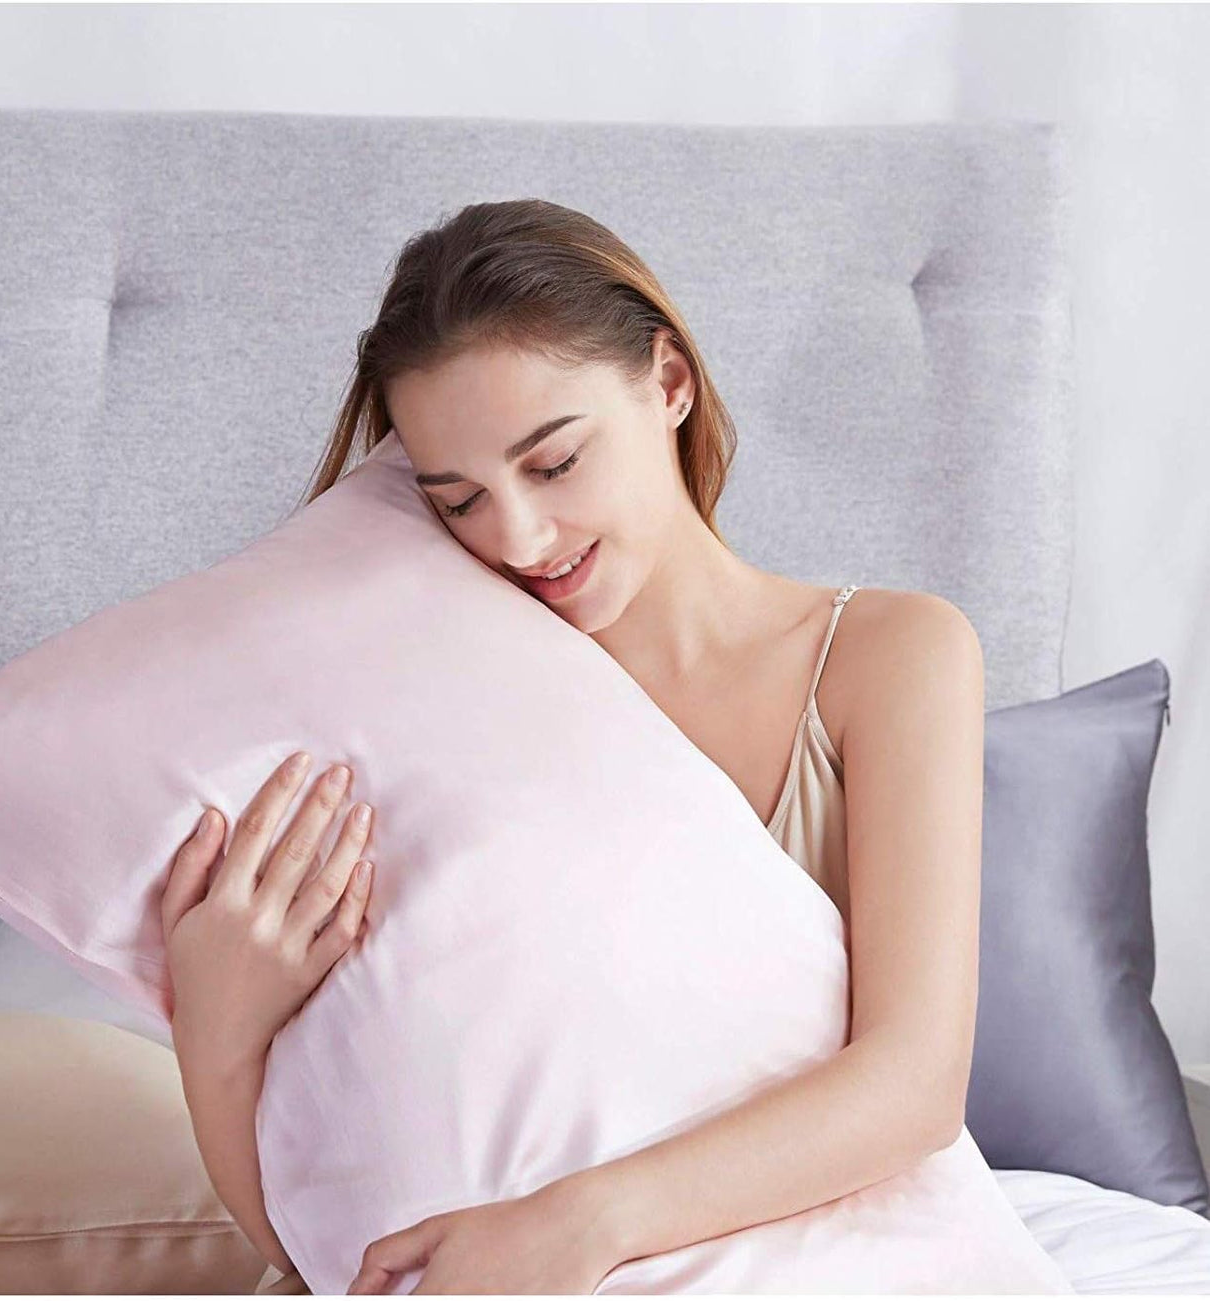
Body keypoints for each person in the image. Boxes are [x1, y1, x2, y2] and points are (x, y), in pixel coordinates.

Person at [162, 199, 987, 1295]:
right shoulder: (433, 716)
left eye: (550, 464)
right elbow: (309, 1237)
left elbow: (914, 1084)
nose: (516, 538)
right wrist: (214, 1034)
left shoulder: (889, 655)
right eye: (458, 501)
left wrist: (579, 1222)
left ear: (667, 381)